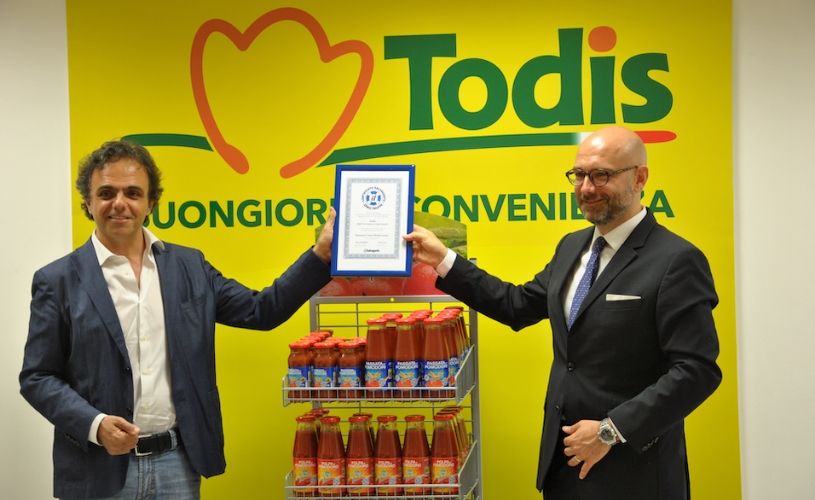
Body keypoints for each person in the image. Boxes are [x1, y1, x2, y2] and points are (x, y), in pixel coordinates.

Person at [405, 126, 721, 499]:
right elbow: (516, 305)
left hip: (634, 473)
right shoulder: (572, 247)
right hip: (564, 466)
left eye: (601, 175)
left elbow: (696, 371)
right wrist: (444, 258)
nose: (586, 188)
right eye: (579, 175)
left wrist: (609, 431)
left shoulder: (676, 260)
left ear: (640, 178)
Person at [19, 140, 335, 499]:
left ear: (151, 203)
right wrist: (95, 424)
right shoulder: (57, 280)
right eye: (106, 193)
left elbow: (262, 310)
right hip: (98, 467)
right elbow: (37, 377)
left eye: (133, 193)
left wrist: (321, 254)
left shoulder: (189, 267)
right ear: (88, 203)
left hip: (177, 465)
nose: (119, 203)